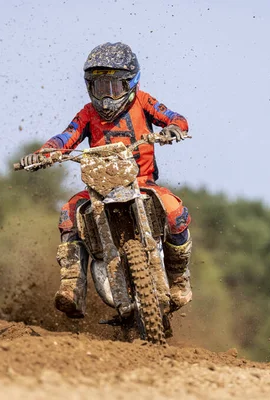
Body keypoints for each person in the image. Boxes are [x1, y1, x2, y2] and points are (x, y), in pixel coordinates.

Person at [20, 42, 192, 319]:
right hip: (98, 190)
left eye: (114, 87)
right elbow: (67, 137)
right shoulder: (88, 113)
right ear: (90, 88)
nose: (107, 97)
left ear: (130, 83)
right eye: (100, 88)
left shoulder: (144, 102)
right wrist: (45, 153)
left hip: (142, 183)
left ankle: (179, 278)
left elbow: (175, 117)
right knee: (68, 213)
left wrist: (173, 129)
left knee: (176, 213)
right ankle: (72, 286)